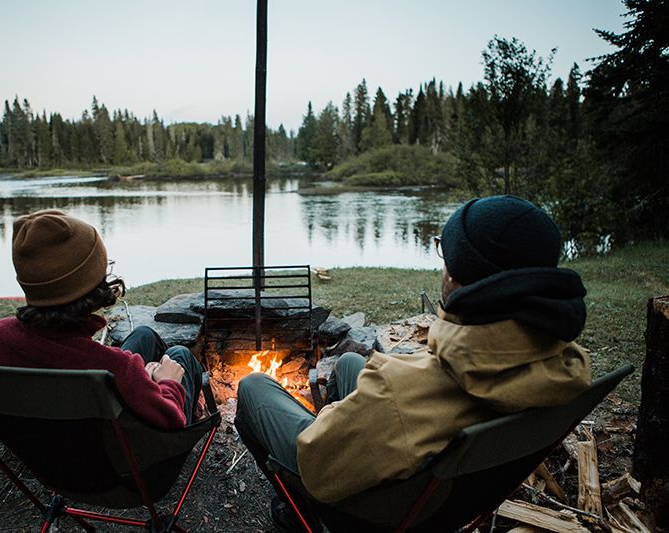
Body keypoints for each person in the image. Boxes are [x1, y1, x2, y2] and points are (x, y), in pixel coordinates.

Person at [235, 195, 592, 531]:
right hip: (452, 499)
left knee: (253, 387)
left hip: (382, 514)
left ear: (456, 279)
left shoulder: (398, 388)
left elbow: (316, 464)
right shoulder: (567, 366)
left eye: (445, 255)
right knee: (347, 363)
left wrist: (331, 420)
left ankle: (299, 517)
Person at [0, 209, 202, 428]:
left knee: (143, 335)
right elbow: (171, 420)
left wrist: (139, 378)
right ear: (91, 284)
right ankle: (195, 408)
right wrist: (168, 382)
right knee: (178, 355)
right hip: (122, 457)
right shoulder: (113, 368)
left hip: (40, 442)